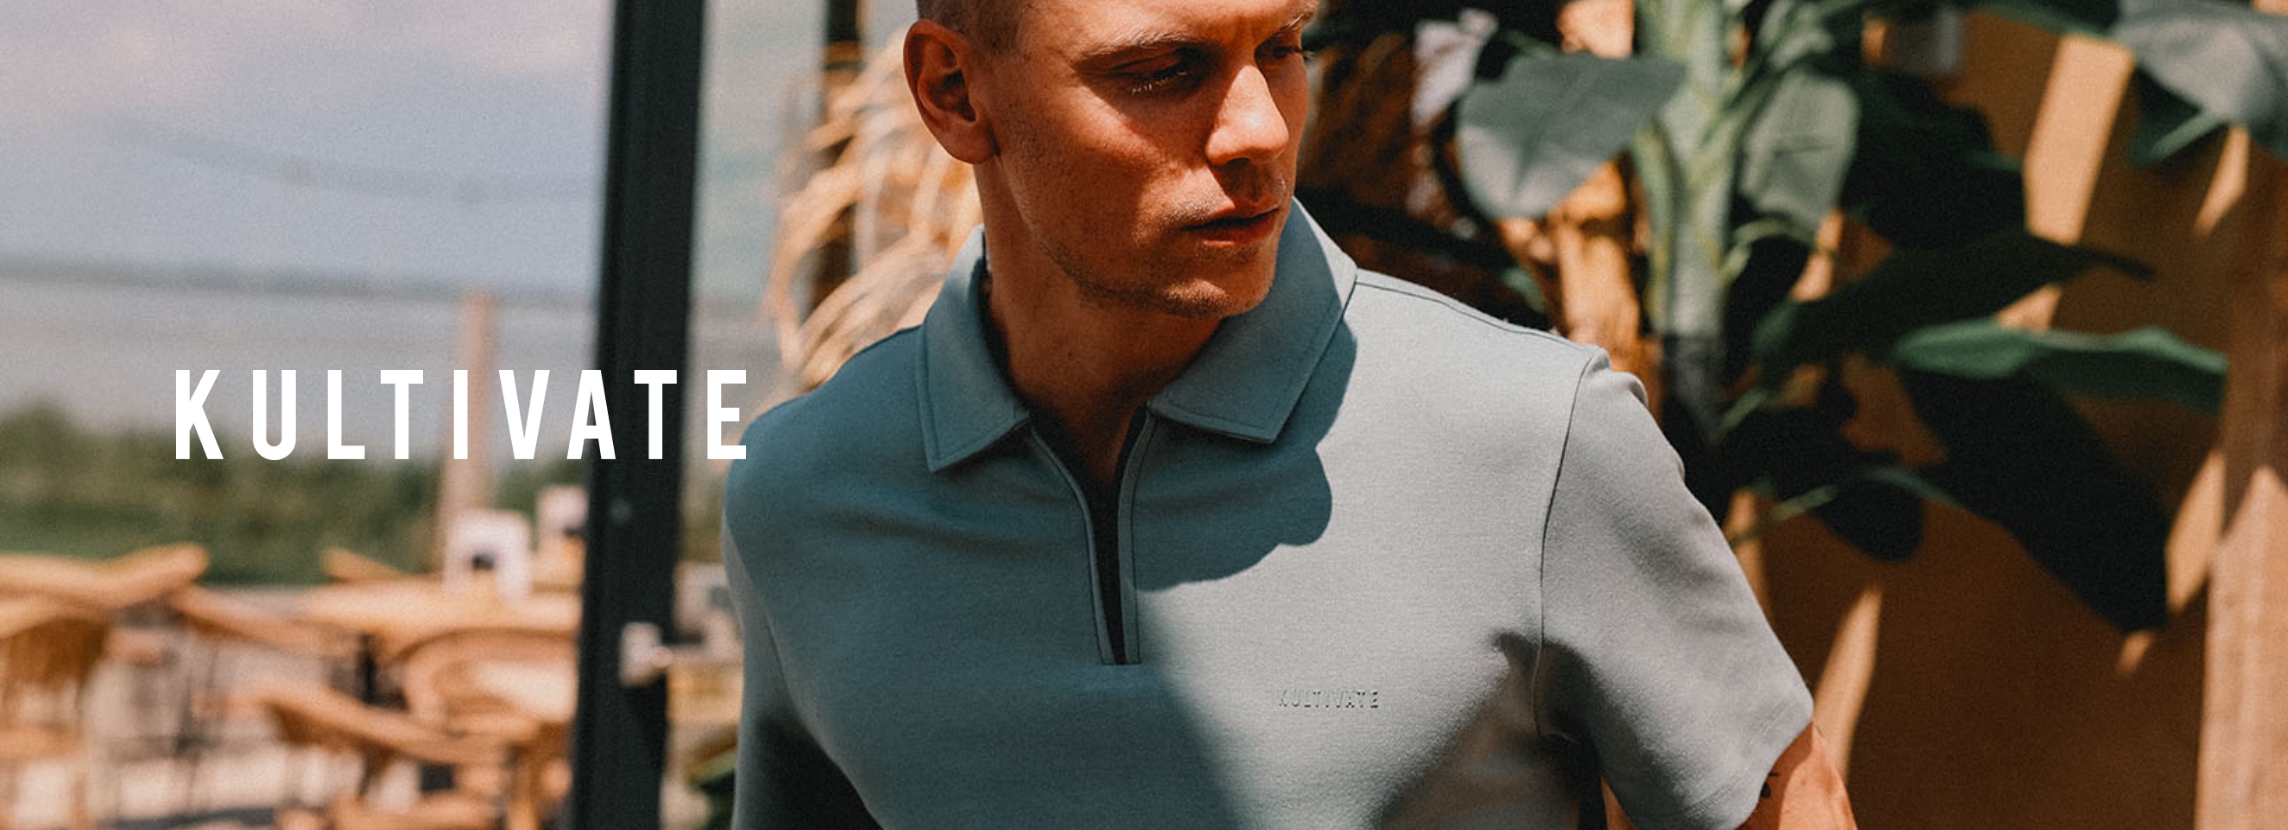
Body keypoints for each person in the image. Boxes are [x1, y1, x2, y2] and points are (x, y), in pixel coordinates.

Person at [720, 0, 1858, 826]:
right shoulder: (805, 490)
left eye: (1280, 46)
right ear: (955, 93)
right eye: (1162, 69)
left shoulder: (1536, 438)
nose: (1259, 130)